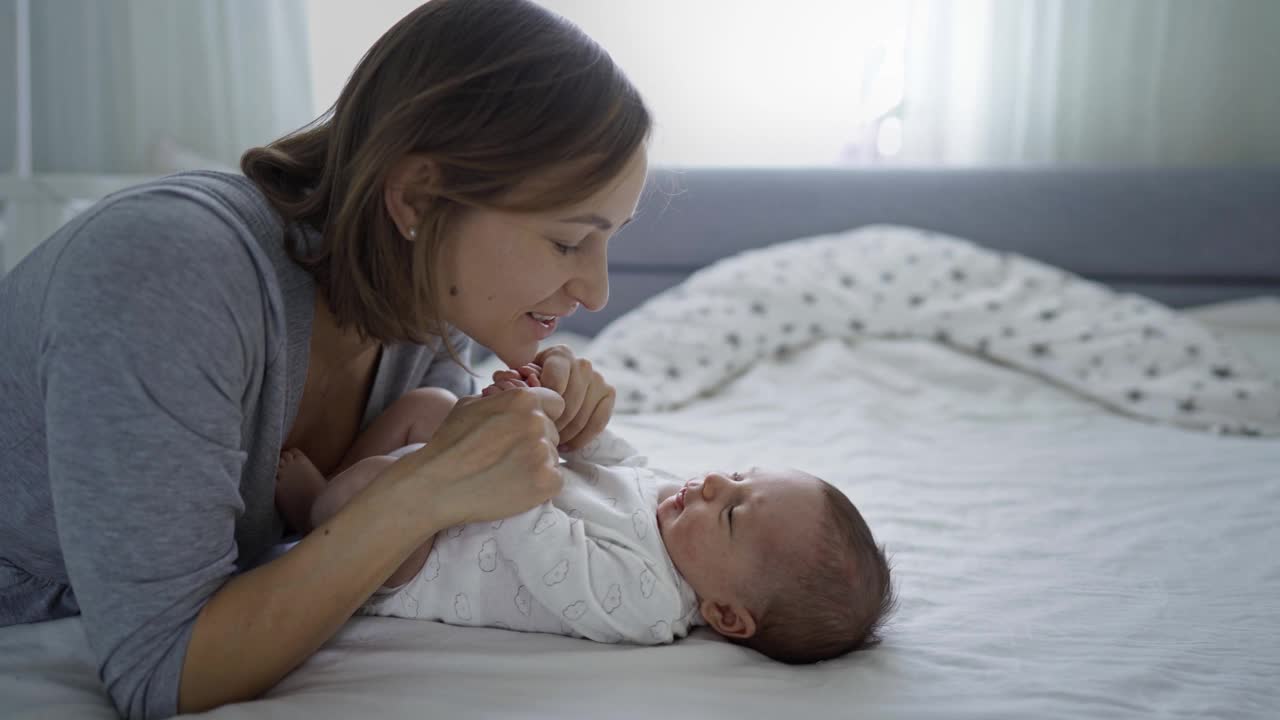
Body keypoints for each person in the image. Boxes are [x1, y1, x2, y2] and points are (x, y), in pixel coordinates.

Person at [0, 1, 649, 717]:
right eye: (566, 242)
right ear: (418, 198)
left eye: (612, 238)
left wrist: (534, 426)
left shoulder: (425, 307)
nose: (596, 292)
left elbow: (339, 520)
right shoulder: (168, 271)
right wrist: (429, 485)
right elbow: (167, 672)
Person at [281, 364, 896, 663]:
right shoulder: (670, 508)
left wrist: (518, 451)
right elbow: (613, 458)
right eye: (736, 475)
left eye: (732, 512)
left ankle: (316, 514)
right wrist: (555, 416)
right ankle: (335, 486)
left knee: (390, 486)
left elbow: (545, 548)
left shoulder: (649, 603)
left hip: (420, 559)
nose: (711, 482)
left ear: (727, 614)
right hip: (468, 486)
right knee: (431, 403)